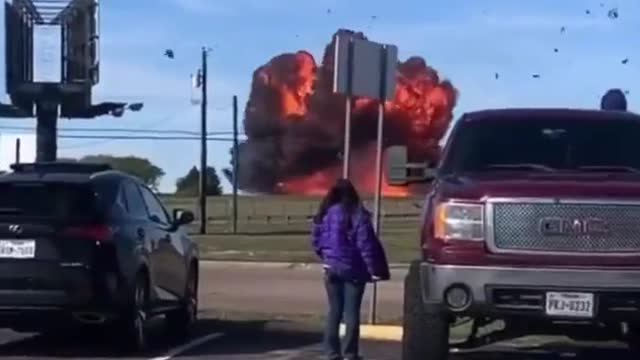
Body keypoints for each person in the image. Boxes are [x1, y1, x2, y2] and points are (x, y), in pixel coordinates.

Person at [311, 179, 390, 360]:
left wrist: (326, 257)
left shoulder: (325, 214)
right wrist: (375, 269)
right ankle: (349, 353)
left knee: (334, 311)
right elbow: (367, 245)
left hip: (331, 268)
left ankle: (331, 352)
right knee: (351, 313)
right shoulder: (357, 215)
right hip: (354, 271)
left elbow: (316, 239)